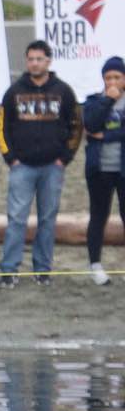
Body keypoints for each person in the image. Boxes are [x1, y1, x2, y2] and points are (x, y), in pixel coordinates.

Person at [0, 40, 77, 281]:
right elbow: (2, 126)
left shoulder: (64, 91)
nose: (34, 63)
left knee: (47, 220)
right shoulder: (14, 91)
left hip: (53, 167)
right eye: (30, 59)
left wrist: (65, 158)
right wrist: (10, 158)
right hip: (22, 167)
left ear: (49, 61)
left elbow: (76, 126)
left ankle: (42, 269)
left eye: (39, 59)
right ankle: (9, 270)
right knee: (16, 219)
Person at [87, 58, 125, 285]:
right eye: (108, 77)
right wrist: (108, 100)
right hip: (99, 169)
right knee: (98, 216)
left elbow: (103, 133)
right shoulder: (94, 101)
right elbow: (91, 125)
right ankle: (96, 265)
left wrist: (107, 136)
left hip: (122, 169)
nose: (112, 81)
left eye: (117, 77)